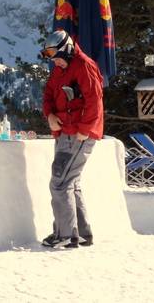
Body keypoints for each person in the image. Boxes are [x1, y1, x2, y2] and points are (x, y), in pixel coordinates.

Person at [39, 29, 103, 249]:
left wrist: (84, 129)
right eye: (51, 58)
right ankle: (82, 234)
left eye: (56, 56)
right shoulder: (60, 68)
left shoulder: (83, 66)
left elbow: (95, 101)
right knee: (71, 182)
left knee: (59, 182)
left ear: (66, 50)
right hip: (64, 132)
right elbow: (48, 93)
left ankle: (65, 235)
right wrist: (50, 115)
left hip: (78, 133)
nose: (54, 61)